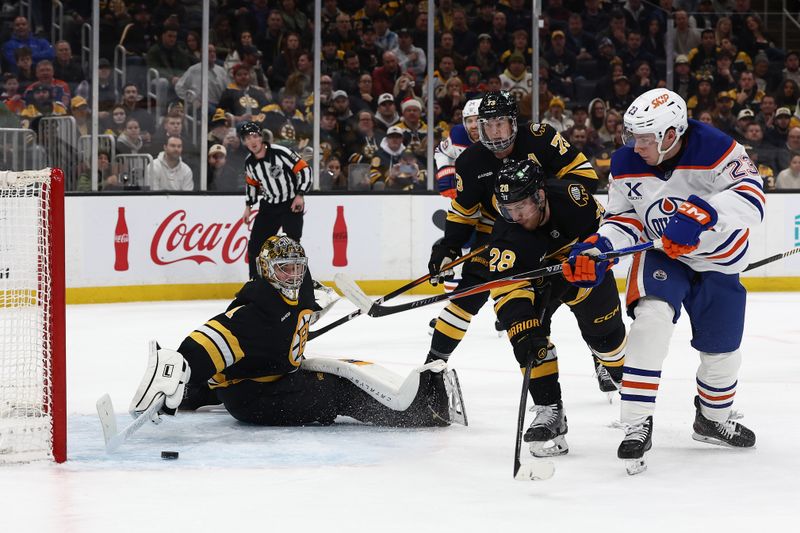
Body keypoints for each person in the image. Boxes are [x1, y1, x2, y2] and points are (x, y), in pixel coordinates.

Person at [562, 89, 762, 475]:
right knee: (650, 323)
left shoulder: (717, 148)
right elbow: (624, 220)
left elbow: (753, 199)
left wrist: (703, 214)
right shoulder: (625, 162)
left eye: (646, 138)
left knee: (723, 351)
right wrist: (598, 248)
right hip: (662, 256)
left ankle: (712, 419)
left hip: (718, 261)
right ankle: (636, 423)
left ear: (673, 134)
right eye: (633, 136)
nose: (637, 146)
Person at [129, 235, 464, 428]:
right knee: (337, 391)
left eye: (297, 269)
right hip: (253, 400)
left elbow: (312, 300)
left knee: (269, 365)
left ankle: (198, 393)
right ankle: (420, 412)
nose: (292, 276)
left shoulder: (301, 289)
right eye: (284, 270)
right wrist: (178, 369)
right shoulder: (253, 313)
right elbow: (210, 341)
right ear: (266, 271)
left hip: (266, 375)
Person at [424, 91, 608, 394]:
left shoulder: (540, 138)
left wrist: (536, 198)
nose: (495, 134)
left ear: (514, 123)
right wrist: (449, 246)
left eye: (501, 125)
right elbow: (463, 211)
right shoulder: (470, 161)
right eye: (488, 126)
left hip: (555, 233)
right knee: (468, 297)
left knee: (577, 299)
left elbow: (585, 177)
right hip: (502, 237)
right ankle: (431, 369)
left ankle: (600, 356)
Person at [489, 158, 626, 457]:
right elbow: (507, 290)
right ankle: (550, 409)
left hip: (585, 276)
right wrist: (522, 329)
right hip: (542, 284)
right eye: (507, 209)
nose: (515, 216)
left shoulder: (574, 199)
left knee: (610, 344)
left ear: (540, 195)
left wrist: (596, 258)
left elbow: (611, 237)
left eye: (521, 207)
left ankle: (613, 369)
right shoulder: (507, 233)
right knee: (531, 342)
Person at [240, 121, 312, 279]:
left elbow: (304, 168)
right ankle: (255, 284)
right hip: (269, 206)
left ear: (260, 137)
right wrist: (248, 206)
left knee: (293, 247)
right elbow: (251, 183)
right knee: (255, 247)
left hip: (290, 203)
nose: (251, 141)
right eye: (247, 138)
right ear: (244, 142)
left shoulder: (280, 152)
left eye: (254, 136)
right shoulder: (249, 163)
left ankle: (298, 283)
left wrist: (300, 194)